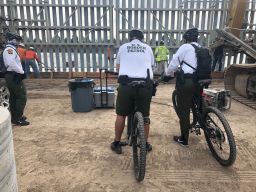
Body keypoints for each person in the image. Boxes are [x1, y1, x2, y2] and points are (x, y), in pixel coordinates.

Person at [111, 29, 154, 154]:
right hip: (145, 85)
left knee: (121, 114)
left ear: (130, 38)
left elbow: (118, 68)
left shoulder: (123, 47)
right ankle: (144, 143)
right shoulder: (147, 48)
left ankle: (117, 142)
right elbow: (151, 66)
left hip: (127, 85)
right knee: (145, 116)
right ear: (141, 39)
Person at [163, 28, 200, 146]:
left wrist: (167, 75)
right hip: (201, 81)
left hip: (187, 82)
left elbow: (174, 63)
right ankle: (206, 120)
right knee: (200, 103)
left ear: (186, 39)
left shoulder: (185, 47)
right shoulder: (202, 48)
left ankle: (184, 139)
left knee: (184, 110)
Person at [3, 32, 29, 126]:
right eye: (17, 40)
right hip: (13, 75)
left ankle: (15, 117)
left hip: (12, 75)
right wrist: (21, 72)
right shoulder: (10, 49)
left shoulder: (11, 49)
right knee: (21, 96)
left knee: (14, 97)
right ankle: (18, 118)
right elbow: (11, 63)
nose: (18, 42)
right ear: (13, 40)